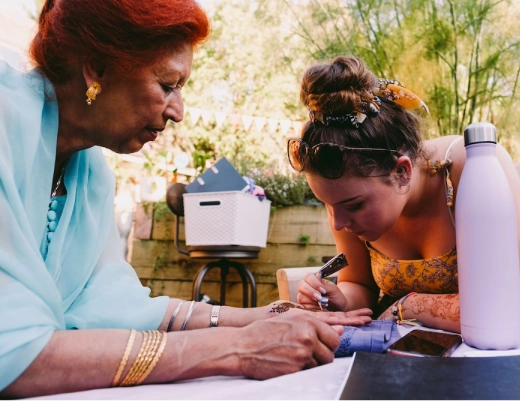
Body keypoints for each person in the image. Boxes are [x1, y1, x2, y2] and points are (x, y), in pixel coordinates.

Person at [0, 1, 372, 398]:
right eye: (167, 85)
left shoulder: (89, 171)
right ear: (97, 67)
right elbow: (14, 351)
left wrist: (262, 318)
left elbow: (113, 304)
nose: (178, 111)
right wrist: (238, 348)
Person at [291, 56, 520, 344]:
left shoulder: (474, 165)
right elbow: (358, 284)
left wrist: (408, 307)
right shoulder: (347, 205)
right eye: (326, 204)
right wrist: (339, 301)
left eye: (354, 205)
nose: (338, 222)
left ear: (402, 172)